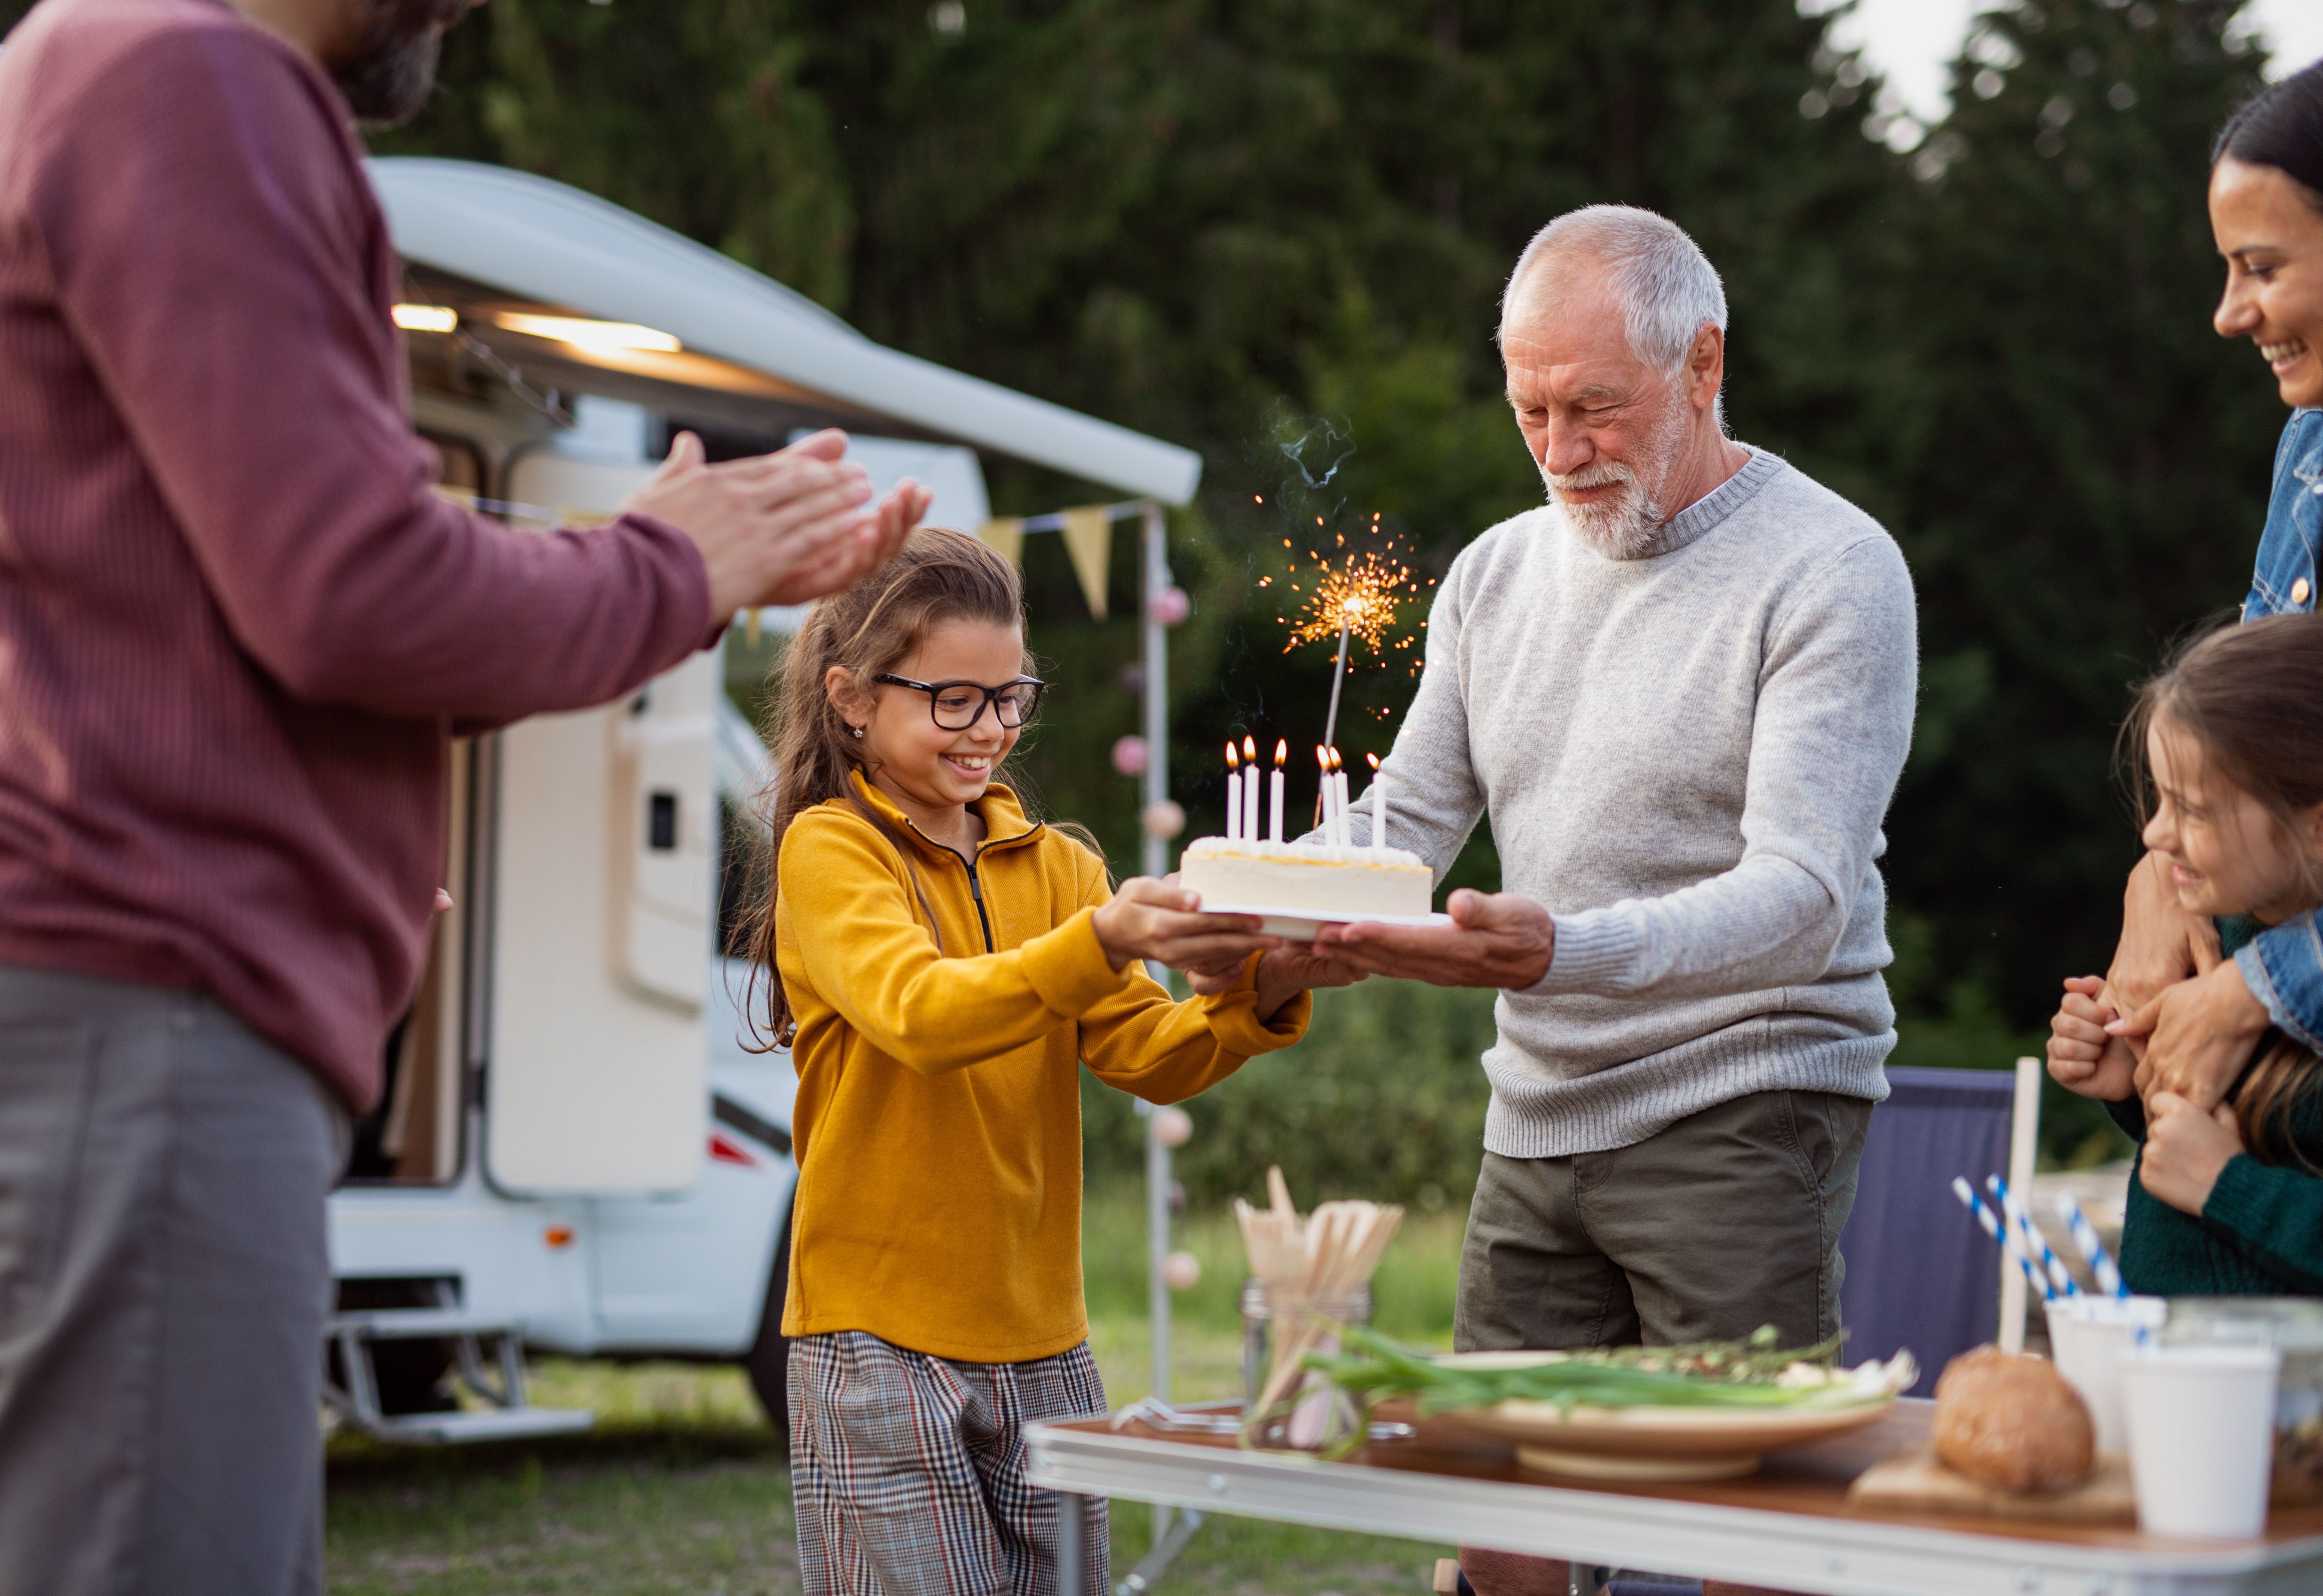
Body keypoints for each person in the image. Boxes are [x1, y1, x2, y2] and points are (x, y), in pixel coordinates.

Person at [0, 0, 927, 1591]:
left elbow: (248, 604)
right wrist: (670, 564)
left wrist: (627, 568)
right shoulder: (194, 75)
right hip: (155, 1025)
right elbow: (352, 594)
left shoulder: (81, 63)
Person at [1210, 206, 1917, 1596]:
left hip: (1743, 1092)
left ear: (1701, 364)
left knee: (1746, 1530)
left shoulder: (1829, 570)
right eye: (1528, 408)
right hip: (1535, 1105)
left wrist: (1557, 951)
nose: (1557, 449)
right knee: (1500, 1517)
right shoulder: (1492, 573)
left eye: (1593, 406)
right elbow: (1403, 821)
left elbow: (1797, 897)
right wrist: (1248, 897)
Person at [748, 530, 1340, 1596]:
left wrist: (1266, 991)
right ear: (850, 697)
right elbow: (920, 1011)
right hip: (877, 1340)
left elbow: (1149, 1052)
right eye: (953, 700)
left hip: (1047, 1342)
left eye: (1009, 696)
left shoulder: (1061, 864)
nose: (990, 731)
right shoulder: (831, 850)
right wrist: (1106, 938)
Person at [2102, 45, 2323, 1112]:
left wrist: (2263, 985)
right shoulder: (2317, 446)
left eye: (2262, 267)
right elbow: (2245, 746)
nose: (2230, 313)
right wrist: (2162, 878)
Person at [2049, 617, 2323, 1307]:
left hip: (2304, 1407)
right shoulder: (2220, 939)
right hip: (2171, 1375)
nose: (2153, 835)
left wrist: (2227, 1186)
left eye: (2192, 810)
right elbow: (2223, 1136)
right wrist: (2136, 1086)